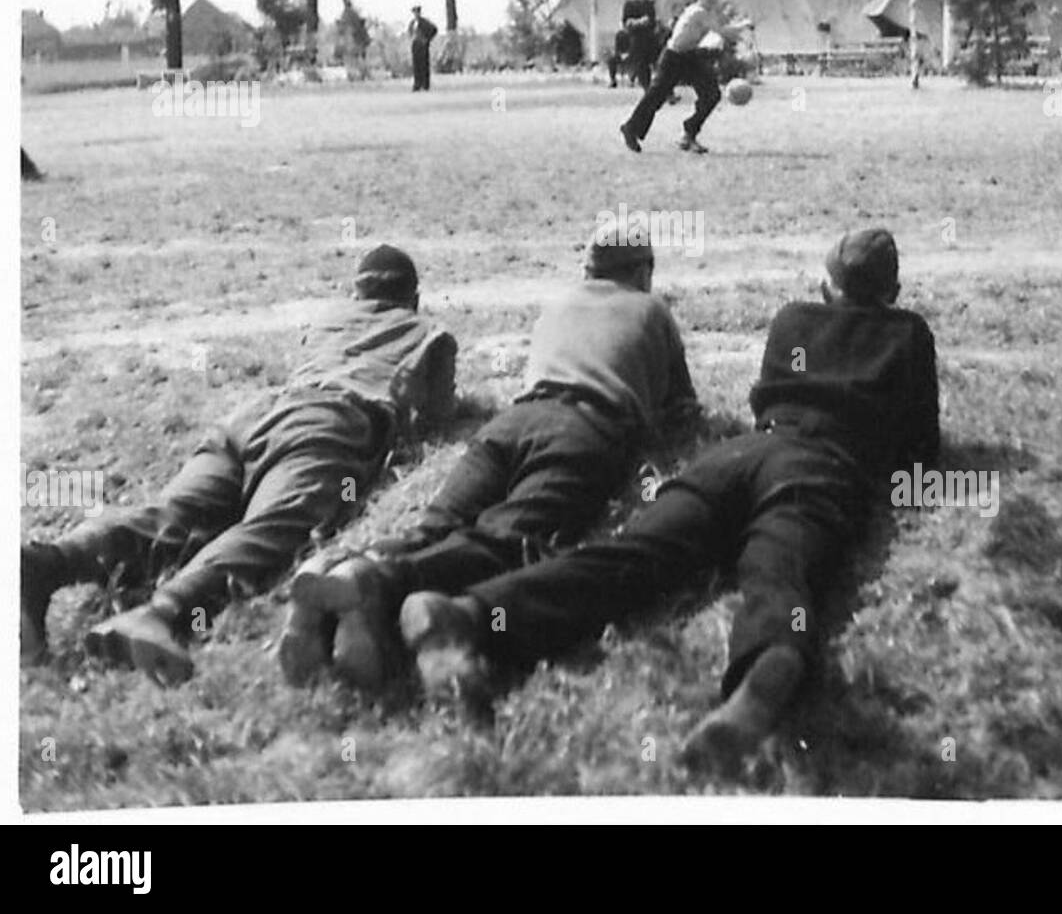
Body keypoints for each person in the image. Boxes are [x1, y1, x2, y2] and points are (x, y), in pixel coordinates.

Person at [398, 227, 940, 776]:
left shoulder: (793, 320)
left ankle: (470, 612)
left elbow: (768, 396)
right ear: (891, 290)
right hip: (822, 467)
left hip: (741, 454)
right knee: (781, 568)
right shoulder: (909, 335)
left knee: (634, 552)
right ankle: (772, 656)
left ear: (826, 285)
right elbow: (920, 447)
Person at [277, 223, 699, 692]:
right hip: (585, 428)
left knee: (435, 525)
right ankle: (374, 581)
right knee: (508, 540)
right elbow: (682, 409)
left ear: (589, 268)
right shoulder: (651, 309)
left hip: (509, 424)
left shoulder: (557, 304)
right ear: (643, 271)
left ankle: (337, 568)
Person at [20, 245, 457, 685]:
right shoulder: (428, 331)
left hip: (251, 418)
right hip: (330, 422)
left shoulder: (328, 317)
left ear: (355, 293)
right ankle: (164, 614)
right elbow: (437, 418)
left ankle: (48, 563)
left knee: (172, 514)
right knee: (272, 528)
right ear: (414, 298)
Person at [620, 0, 753, 155]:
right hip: (673, 57)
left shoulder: (708, 12)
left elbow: (723, 31)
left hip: (690, 56)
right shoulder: (698, 12)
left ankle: (688, 135)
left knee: (711, 94)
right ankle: (631, 128)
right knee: (656, 96)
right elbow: (723, 32)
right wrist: (744, 26)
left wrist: (742, 29)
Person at [620, 0, 659, 91]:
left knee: (659, 63)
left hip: (650, 38)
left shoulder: (649, 4)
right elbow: (626, 22)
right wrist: (638, 22)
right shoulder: (630, 5)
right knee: (642, 65)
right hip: (637, 39)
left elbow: (653, 21)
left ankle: (667, 92)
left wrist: (648, 22)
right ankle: (647, 90)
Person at [408, 5, 438, 92]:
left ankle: (425, 85)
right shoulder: (412, 23)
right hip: (415, 46)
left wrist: (427, 39)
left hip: (423, 46)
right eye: (414, 12)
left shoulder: (425, 22)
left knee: (424, 66)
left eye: (417, 12)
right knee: (416, 66)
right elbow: (410, 32)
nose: (416, 14)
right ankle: (417, 84)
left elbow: (434, 29)